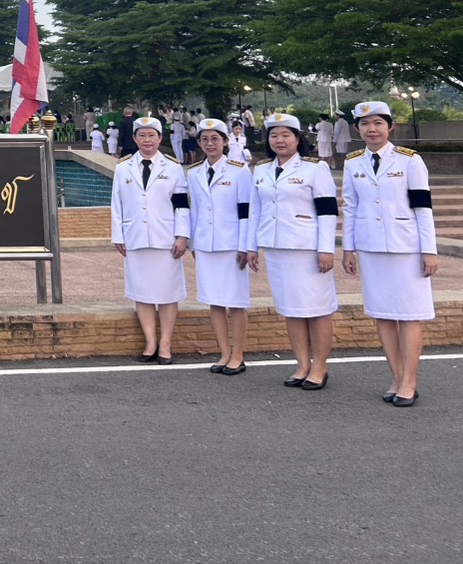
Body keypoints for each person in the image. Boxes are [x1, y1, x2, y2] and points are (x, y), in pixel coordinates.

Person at [341, 101, 436, 407]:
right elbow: (351, 207)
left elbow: (423, 207)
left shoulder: (410, 160)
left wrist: (429, 250)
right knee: (382, 314)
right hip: (371, 248)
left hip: (406, 247)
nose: (372, 130)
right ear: (357, 129)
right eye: (365, 124)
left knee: (409, 315)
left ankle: (410, 381)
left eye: (378, 123)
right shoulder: (353, 163)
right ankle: (396, 377)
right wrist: (348, 248)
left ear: (390, 127)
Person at [251, 113, 337, 391]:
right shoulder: (261, 170)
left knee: (318, 309)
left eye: (286, 135)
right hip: (276, 249)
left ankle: (320, 367)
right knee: (291, 309)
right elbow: (256, 211)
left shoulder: (315, 168)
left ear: (298, 139)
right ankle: (302, 364)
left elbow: (328, 211)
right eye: (274, 135)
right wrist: (251, 246)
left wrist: (326, 249)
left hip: (307, 249)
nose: (280, 140)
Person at [110, 116, 189, 364]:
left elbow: (182, 206)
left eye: (151, 135)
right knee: (141, 292)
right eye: (142, 135)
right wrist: (118, 235)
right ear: (135, 139)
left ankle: (165, 343)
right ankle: (150, 341)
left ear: (160, 138)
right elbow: (116, 204)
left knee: (168, 292)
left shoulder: (173, 168)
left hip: (166, 239)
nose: (147, 140)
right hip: (135, 238)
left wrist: (182, 235)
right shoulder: (123, 167)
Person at [187, 119, 255, 375]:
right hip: (205, 244)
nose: (210, 144)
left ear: (225, 142)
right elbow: (194, 211)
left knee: (235, 302)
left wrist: (245, 245)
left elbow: (246, 211)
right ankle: (224, 353)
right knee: (214, 301)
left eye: (215, 139)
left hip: (231, 245)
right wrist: (194, 243)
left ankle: (238, 354)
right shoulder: (194, 172)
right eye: (204, 139)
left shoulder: (239, 170)